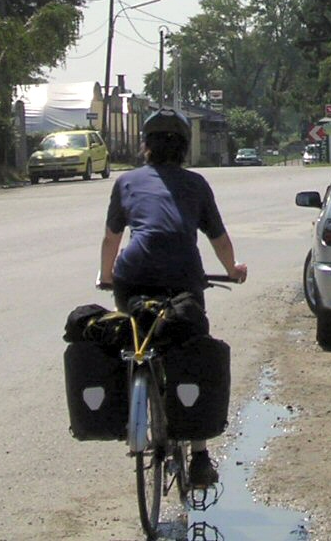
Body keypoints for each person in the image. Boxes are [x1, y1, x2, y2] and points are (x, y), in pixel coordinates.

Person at [99, 108, 248, 488]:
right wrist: (232, 269)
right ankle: (199, 455)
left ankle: (134, 388)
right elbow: (219, 239)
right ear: (183, 149)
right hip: (183, 277)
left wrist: (106, 276)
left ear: (145, 146)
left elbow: (112, 240)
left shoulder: (126, 182)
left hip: (132, 278)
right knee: (189, 349)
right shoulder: (196, 184)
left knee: (136, 337)